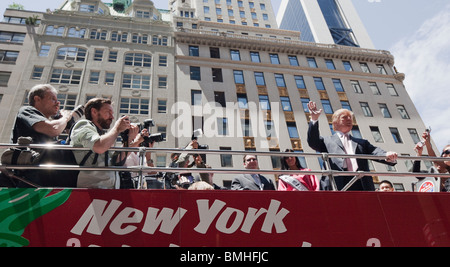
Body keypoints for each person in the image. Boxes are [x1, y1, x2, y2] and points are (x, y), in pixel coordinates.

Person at [307, 101, 398, 191]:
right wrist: (314, 119)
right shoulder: (326, 141)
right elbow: (312, 141)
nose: (349, 119)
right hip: (335, 183)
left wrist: (388, 155)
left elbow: (375, 152)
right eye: (345, 117)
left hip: (361, 183)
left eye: (350, 117)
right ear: (335, 122)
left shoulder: (361, 143)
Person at [9, 84, 77, 187]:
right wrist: (65, 118)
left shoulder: (49, 122)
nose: (58, 103)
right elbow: (53, 129)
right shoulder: (26, 110)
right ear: (37, 99)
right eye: (53, 99)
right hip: (29, 178)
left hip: (47, 177)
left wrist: (68, 125)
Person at [70, 98, 131, 189]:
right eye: (108, 112)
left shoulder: (103, 136)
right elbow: (99, 147)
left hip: (109, 189)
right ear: (94, 112)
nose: (112, 117)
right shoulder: (83, 125)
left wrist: (130, 139)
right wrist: (117, 129)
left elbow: (117, 161)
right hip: (92, 189)